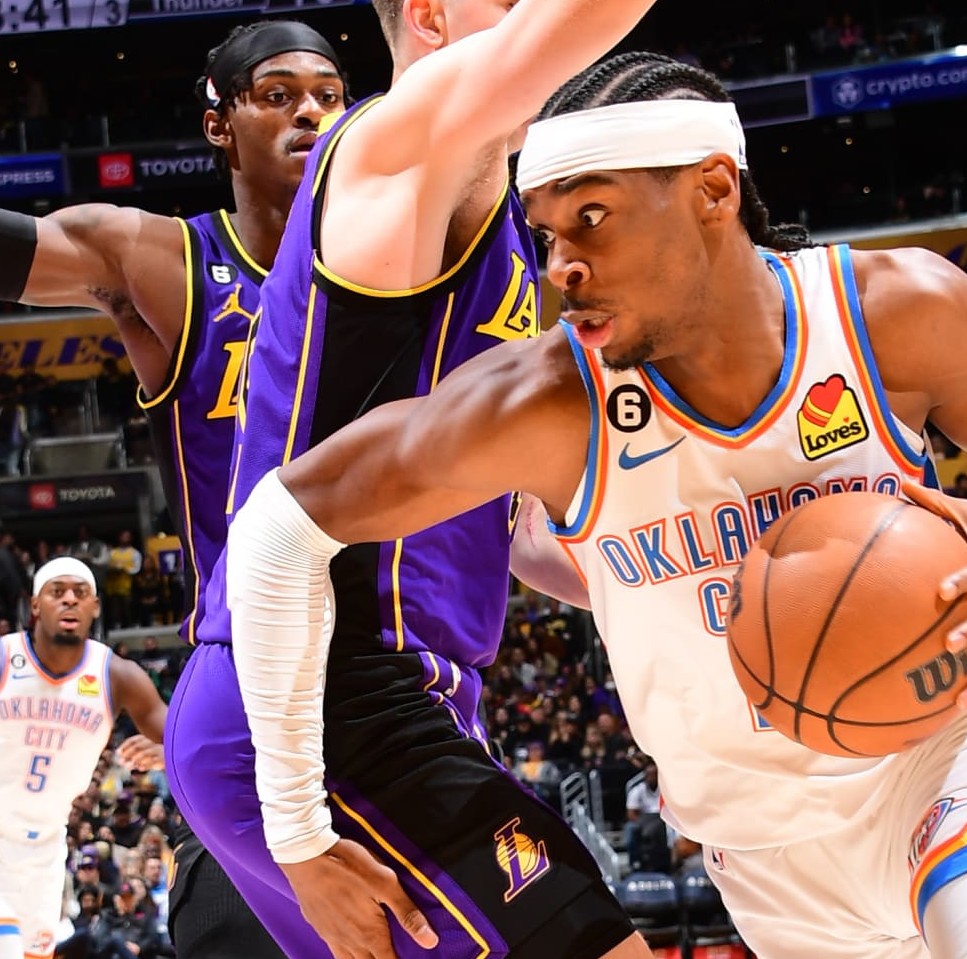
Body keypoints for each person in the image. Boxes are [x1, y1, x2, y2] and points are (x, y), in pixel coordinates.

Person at [217, 51, 967, 958]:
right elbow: (277, 525)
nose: (561, 267)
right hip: (763, 863)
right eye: (546, 234)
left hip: (944, 767)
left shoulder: (892, 313)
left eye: (593, 219)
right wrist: (295, 831)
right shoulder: (543, 405)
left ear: (714, 189)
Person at [164, 4, 661, 959]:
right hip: (324, 685)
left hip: (398, 690)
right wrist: (302, 827)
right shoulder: (396, 141)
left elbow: (510, 535)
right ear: (430, 13)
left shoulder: (501, 221)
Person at [3, 21, 353, 959]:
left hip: (389, 675)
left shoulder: (400, 270)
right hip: (252, 676)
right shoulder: (170, 262)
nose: (311, 110)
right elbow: (24, 250)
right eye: (277, 94)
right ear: (219, 123)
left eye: (328, 91)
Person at [0, 558, 168, 959]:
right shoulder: (6, 659)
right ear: (35, 605)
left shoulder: (116, 675)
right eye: (57, 592)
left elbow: (182, 739)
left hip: (46, 845)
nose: (69, 600)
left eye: (80, 593)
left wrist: (168, 754)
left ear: (95, 606)